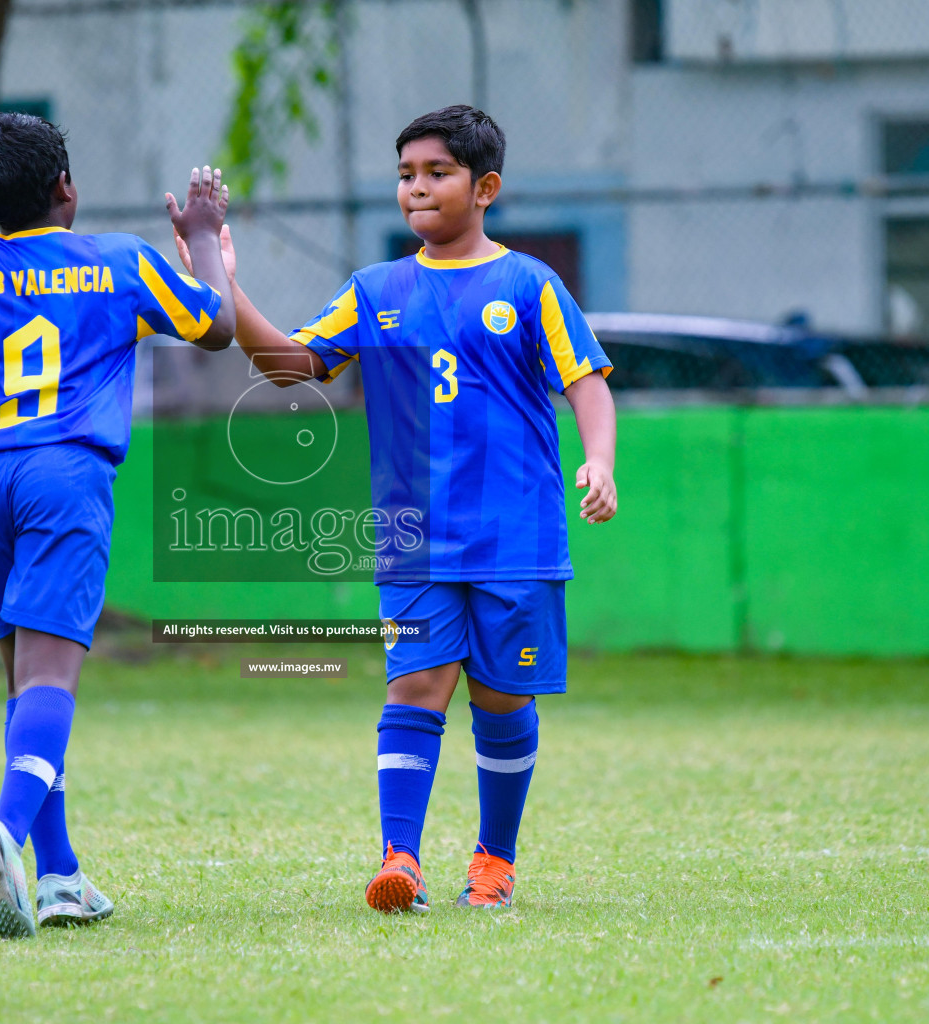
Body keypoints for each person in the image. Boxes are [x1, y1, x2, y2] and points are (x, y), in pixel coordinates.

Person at [176, 105, 618, 912]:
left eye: (436, 173)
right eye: (407, 174)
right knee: (412, 689)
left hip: (514, 537)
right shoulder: (375, 291)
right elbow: (289, 366)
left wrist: (599, 460)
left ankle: (494, 861)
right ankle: (400, 862)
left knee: (501, 700)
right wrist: (223, 280)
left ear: (485, 188)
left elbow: (585, 379)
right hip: (413, 539)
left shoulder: (527, 284)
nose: (417, 188)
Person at [0, 110, 236, 938]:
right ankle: (5, 831)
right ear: (66, 188)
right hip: (64, 476)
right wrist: (207, 235)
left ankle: (62, 878)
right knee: (50, 677)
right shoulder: (116, 260)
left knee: (18, 673)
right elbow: (215, 328)